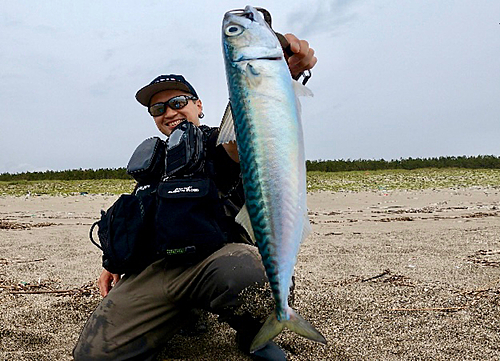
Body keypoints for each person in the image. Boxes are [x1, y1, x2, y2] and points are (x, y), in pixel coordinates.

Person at [73, 32, 317, 361]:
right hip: (160, 269)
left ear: (198, 106)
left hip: (214, 263)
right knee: (95, 355)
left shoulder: (221, 141)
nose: (168, 111)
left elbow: (251, 131)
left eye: (178, 102)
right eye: (158, 107)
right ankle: (183, 314)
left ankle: (254, 334)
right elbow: (143, 220)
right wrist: (114, 263)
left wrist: (279, 74)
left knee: (249, 273)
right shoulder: (153, 162)